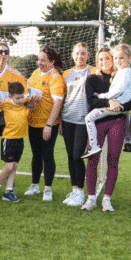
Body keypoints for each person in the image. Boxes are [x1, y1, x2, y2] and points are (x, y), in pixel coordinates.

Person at [81, 47, 131, 212]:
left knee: (113, 160)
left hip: (117, 121)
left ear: (113, 59)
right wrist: (108, 103)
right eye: (101, 59)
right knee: (93, 159)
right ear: (97, 62)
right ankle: (91, 199)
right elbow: (91, 102)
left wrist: (120, 107)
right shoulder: (92, 79)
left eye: (108, 58)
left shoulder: (122, 75)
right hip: (98, 122)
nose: (105, 61)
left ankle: (107, 199)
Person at [0, 41, 26, 198]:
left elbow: (23, 97)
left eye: (6, 52)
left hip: (10, 121)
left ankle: (9, 187)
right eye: (0, 51)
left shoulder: (16, 75)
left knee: (13, 153)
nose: (3, 55)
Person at [25, 46, 66, 201]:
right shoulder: (35, 74)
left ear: (52, 62)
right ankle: (35, 185)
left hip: (48, 124)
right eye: (39, 59)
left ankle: (47, 189)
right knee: (36, 155)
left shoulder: (56, 78)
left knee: (47, 155)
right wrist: (31, 104)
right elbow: (29, 97)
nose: (40, 62)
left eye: (43, 60)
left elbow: (57, 104)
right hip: (33, 122)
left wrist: (49, 125)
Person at [82, 44, 131, 158]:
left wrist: (102, 96)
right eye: (116, 58)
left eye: (121, 58)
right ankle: (128, 141)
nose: (118, 60)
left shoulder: (124, 72)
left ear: (129, 58)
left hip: (117, 107)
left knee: (89, 118)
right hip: (121, 106)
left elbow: (118, 90)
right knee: (126, 115)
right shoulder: (123, 72)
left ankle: (93, 146)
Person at [59, 42, 96, 207]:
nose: (80, 56)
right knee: (69, 156)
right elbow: (62, 98)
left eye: (83, 53)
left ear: (88, 55)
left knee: (77, 155)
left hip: (83, 120)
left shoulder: (93, 72)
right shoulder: (66, 74)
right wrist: (60, 120)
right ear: (72, 55)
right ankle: (74, 191)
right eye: (77, 53)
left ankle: (81, 192)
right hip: (67, 119)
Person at [0, 82, 31, 203]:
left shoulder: (25, 103)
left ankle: (9, 191)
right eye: (17, 98)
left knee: (15, 166)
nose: (20, 100)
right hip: (9, 139)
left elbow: (32, 102)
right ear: (10, 96)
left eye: (22, 97)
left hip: (20, 139)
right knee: (9, 166)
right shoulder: (5, 104)